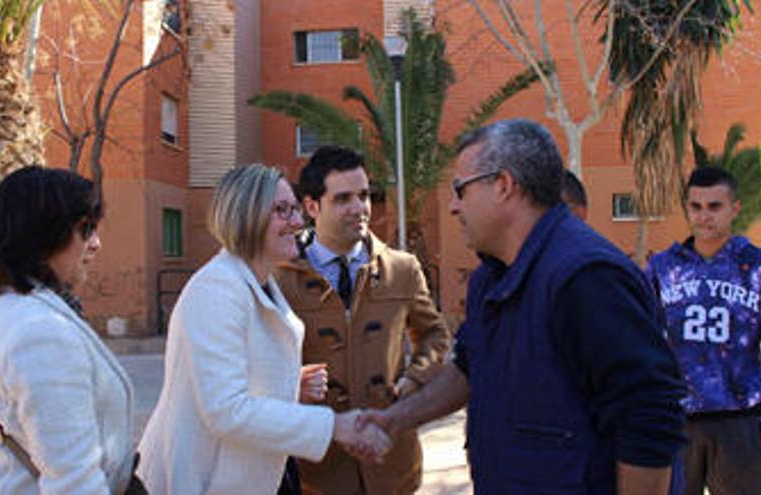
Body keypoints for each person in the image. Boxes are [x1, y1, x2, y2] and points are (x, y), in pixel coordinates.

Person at [359, 119, 687, 494]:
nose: (452, 206)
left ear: (503, 185)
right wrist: (395, 419)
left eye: (459, 189)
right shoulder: (491, 277)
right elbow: (466, 368)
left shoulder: (586, 276)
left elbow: (649, 414)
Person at [136, 164, 391, 495]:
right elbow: (226, 409)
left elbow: (236, 380)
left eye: (296, 209)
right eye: (282, 211)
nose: (298, 222)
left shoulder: (256, 282)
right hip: (206, 480)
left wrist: (287, 384)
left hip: (258, 473)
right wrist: (335, 426)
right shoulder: (216, 288)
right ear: (245, 216)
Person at [0, 166, 141, 494]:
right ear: (43, 234)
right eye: (85, 229)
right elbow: (74, 482)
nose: (96, 243)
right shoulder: (40, 334)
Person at [276, 146, 450, 494]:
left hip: (391, 461)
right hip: (316, 468)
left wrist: (414, 381)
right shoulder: (279, 278)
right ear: (312, 207)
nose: (359, 208)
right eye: (343, 199)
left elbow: (434, 336)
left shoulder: (402, 269)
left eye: (364, 195)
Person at [646, 166, 761, 495]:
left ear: (734, 209)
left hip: (740, 418)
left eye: (714, 206)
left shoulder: (754, 266)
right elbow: (641, 334)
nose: (703, 216)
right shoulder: (663, 267)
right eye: (696, 206)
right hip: (679, 416)